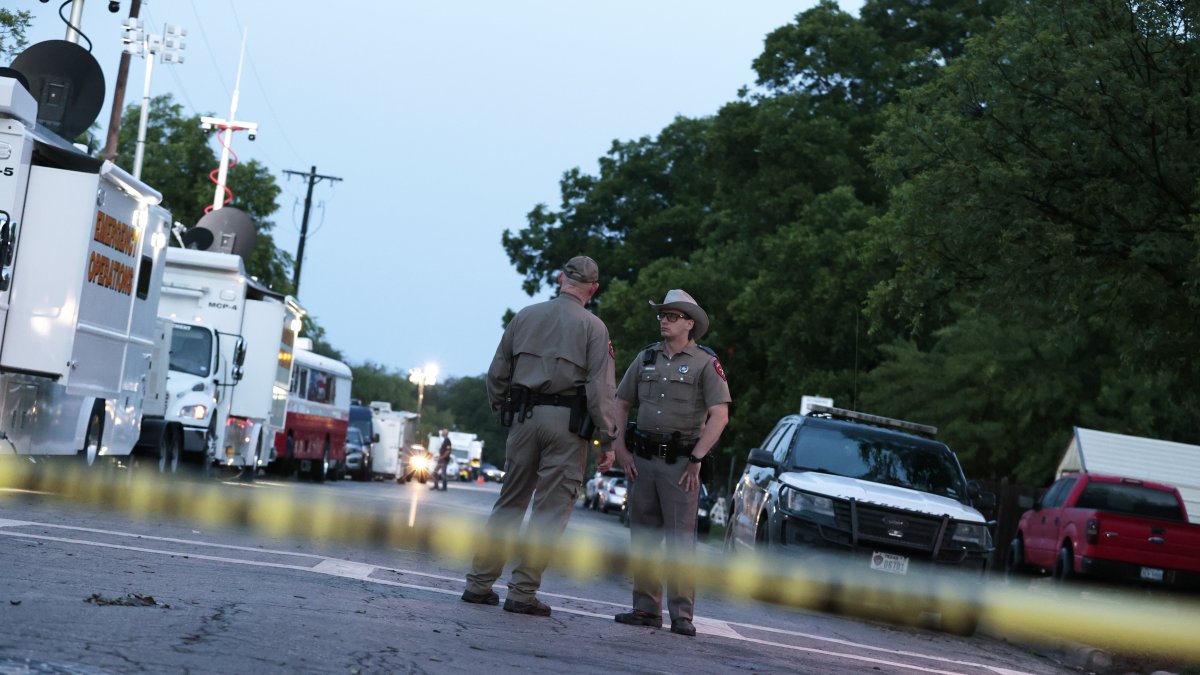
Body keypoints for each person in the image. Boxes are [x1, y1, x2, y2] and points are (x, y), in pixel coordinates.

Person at [462, 255, 622, 617]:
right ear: (593, 289)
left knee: (510, 501)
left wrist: (504, 408)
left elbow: (496, 373)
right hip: (566, 425)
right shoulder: (594, 328)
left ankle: (478, 583)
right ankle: (521, 592)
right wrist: (608, 440)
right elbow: (600, 391)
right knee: (549, 512)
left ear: (559, 279)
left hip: (524, 419)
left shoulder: (525, 316)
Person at [611, 289, 731, 637]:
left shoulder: (705, 363)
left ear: (690, 323)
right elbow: (621, 403)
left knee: (680, 541)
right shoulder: (645, 357)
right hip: (642, 460)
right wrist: (620, 448)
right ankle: (646, 609)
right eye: (662, 315)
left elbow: (719, 416)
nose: (664, 320)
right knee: (644, 538)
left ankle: (682, 615)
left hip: (681, 465)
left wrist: (697, 458)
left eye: (672, 316)